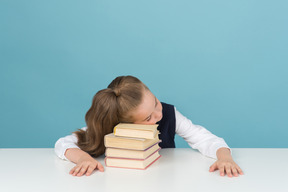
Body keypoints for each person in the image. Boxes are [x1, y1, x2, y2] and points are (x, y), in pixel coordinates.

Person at [55, 75, 244, 177]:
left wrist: (224, 156)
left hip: (164, 180)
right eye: (147, 118)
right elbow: (63, 144)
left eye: (155, 102)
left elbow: (204, 138)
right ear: (124, 124)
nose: (158, 115)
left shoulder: (170, 115)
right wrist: (82, 159)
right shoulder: (112, 129)